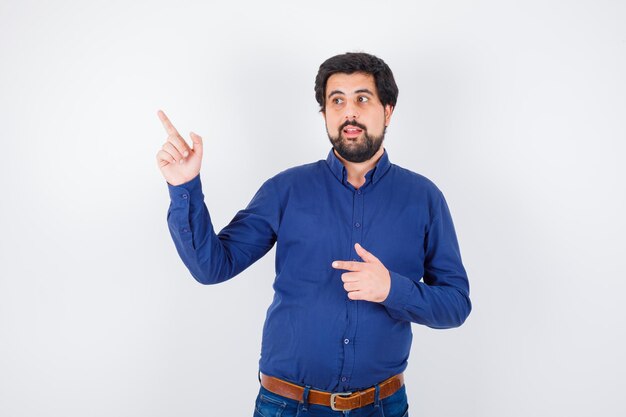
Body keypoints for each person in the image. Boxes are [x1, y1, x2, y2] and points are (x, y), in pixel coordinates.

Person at [156, 52, 471, 417]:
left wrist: (391, 289)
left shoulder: (424, 198)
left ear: (387, 110)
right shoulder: (285, 190)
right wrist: (184, 188)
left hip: (382, 407)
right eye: (336, 100)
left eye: (362, 98)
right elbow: (212, 268)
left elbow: (455, 304)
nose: (348, 112)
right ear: (324, 114)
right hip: (287, 406)